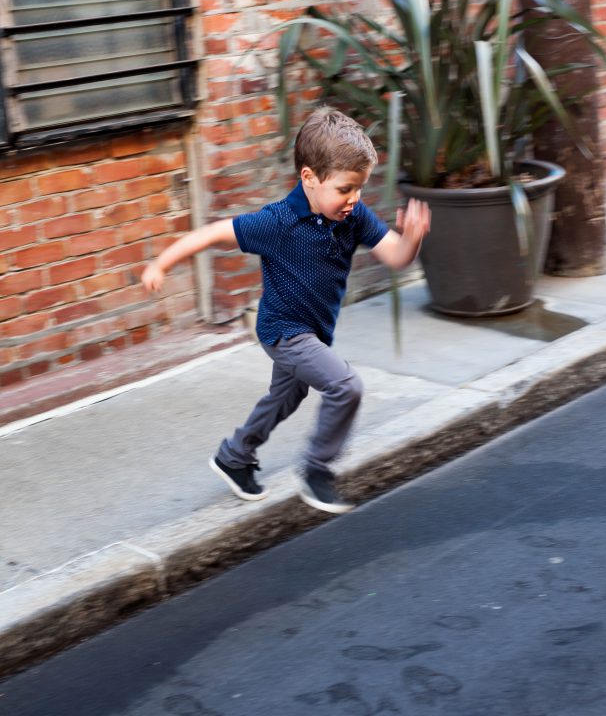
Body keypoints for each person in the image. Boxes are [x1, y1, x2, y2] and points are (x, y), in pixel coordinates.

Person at [141, 106, 431, 514]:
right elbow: (211, 234)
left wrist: (412, 238)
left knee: (285, 397)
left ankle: (234, 455)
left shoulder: (353, 217)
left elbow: (397, 256)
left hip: (314, 332)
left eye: (360, 189)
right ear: (309, 178)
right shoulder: (276, 223)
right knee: (345, 385)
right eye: (345, 188)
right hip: (284, 329)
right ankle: (316, 470)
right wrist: (160, 264)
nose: (354, 199)